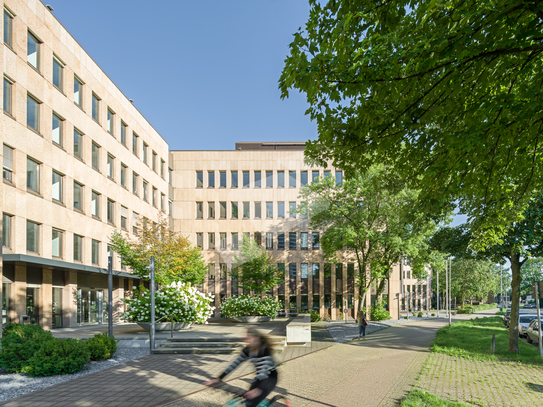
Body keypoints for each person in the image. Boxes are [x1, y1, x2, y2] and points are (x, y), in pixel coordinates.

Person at [203, 328, 278, 406]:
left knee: (253, 402)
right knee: (248, 399)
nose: (246, 341)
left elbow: (264, 372)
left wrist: (258, 389)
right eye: (246, 338)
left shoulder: (264, 350)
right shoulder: (248, 350)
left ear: (257, 337)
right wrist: (218, 379)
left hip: (270, 379)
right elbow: (234, 364)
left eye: (249, 338)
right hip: (259, 377)